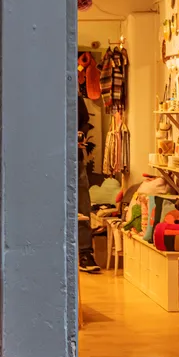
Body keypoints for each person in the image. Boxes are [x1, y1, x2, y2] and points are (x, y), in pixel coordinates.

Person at [78, 100, 101, 274]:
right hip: (47, 158)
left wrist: (81, 134)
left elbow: (85, 121)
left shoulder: (74, 95)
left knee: (83, 206)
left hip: (75, 159)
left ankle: (85, 253)